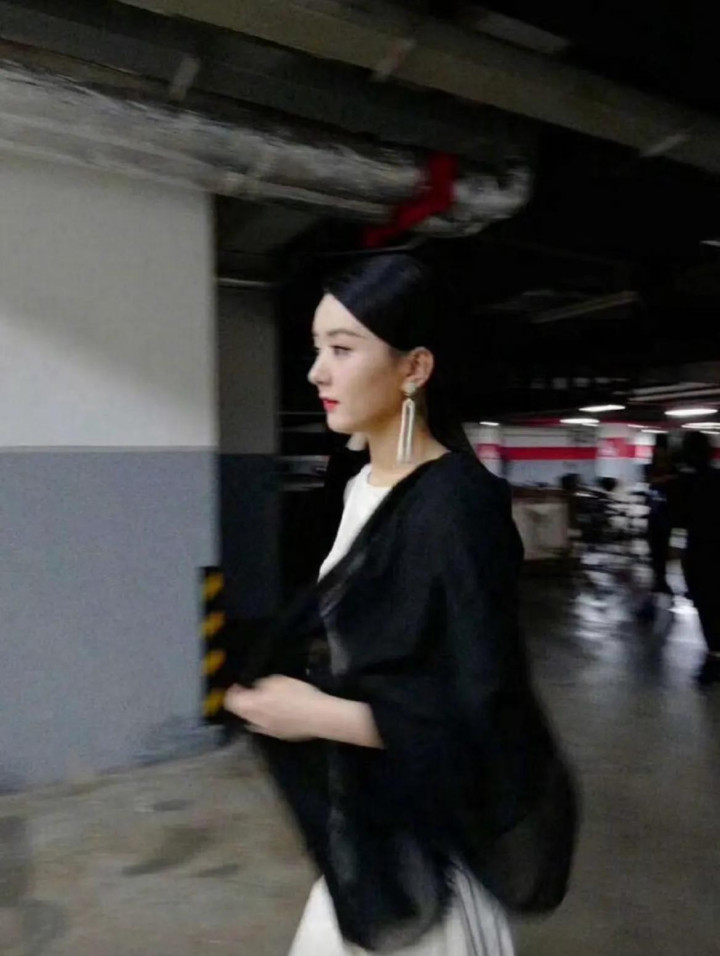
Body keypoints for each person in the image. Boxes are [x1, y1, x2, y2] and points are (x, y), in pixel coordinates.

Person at [224, 255, 577, 954]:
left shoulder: (456, 508)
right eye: (317, 349)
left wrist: (318, 714)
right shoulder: (362, 489)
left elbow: (480, 715)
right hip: (376, 821)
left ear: (415, 368)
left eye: (342, 349)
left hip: (430, 838)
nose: (316, 372)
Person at [676, 431, 720, 686]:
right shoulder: (714, 479)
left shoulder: (685, 483)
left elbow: (678, 521)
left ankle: (714, 655)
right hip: (708, 552)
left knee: (706, 605)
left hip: (700, 553)